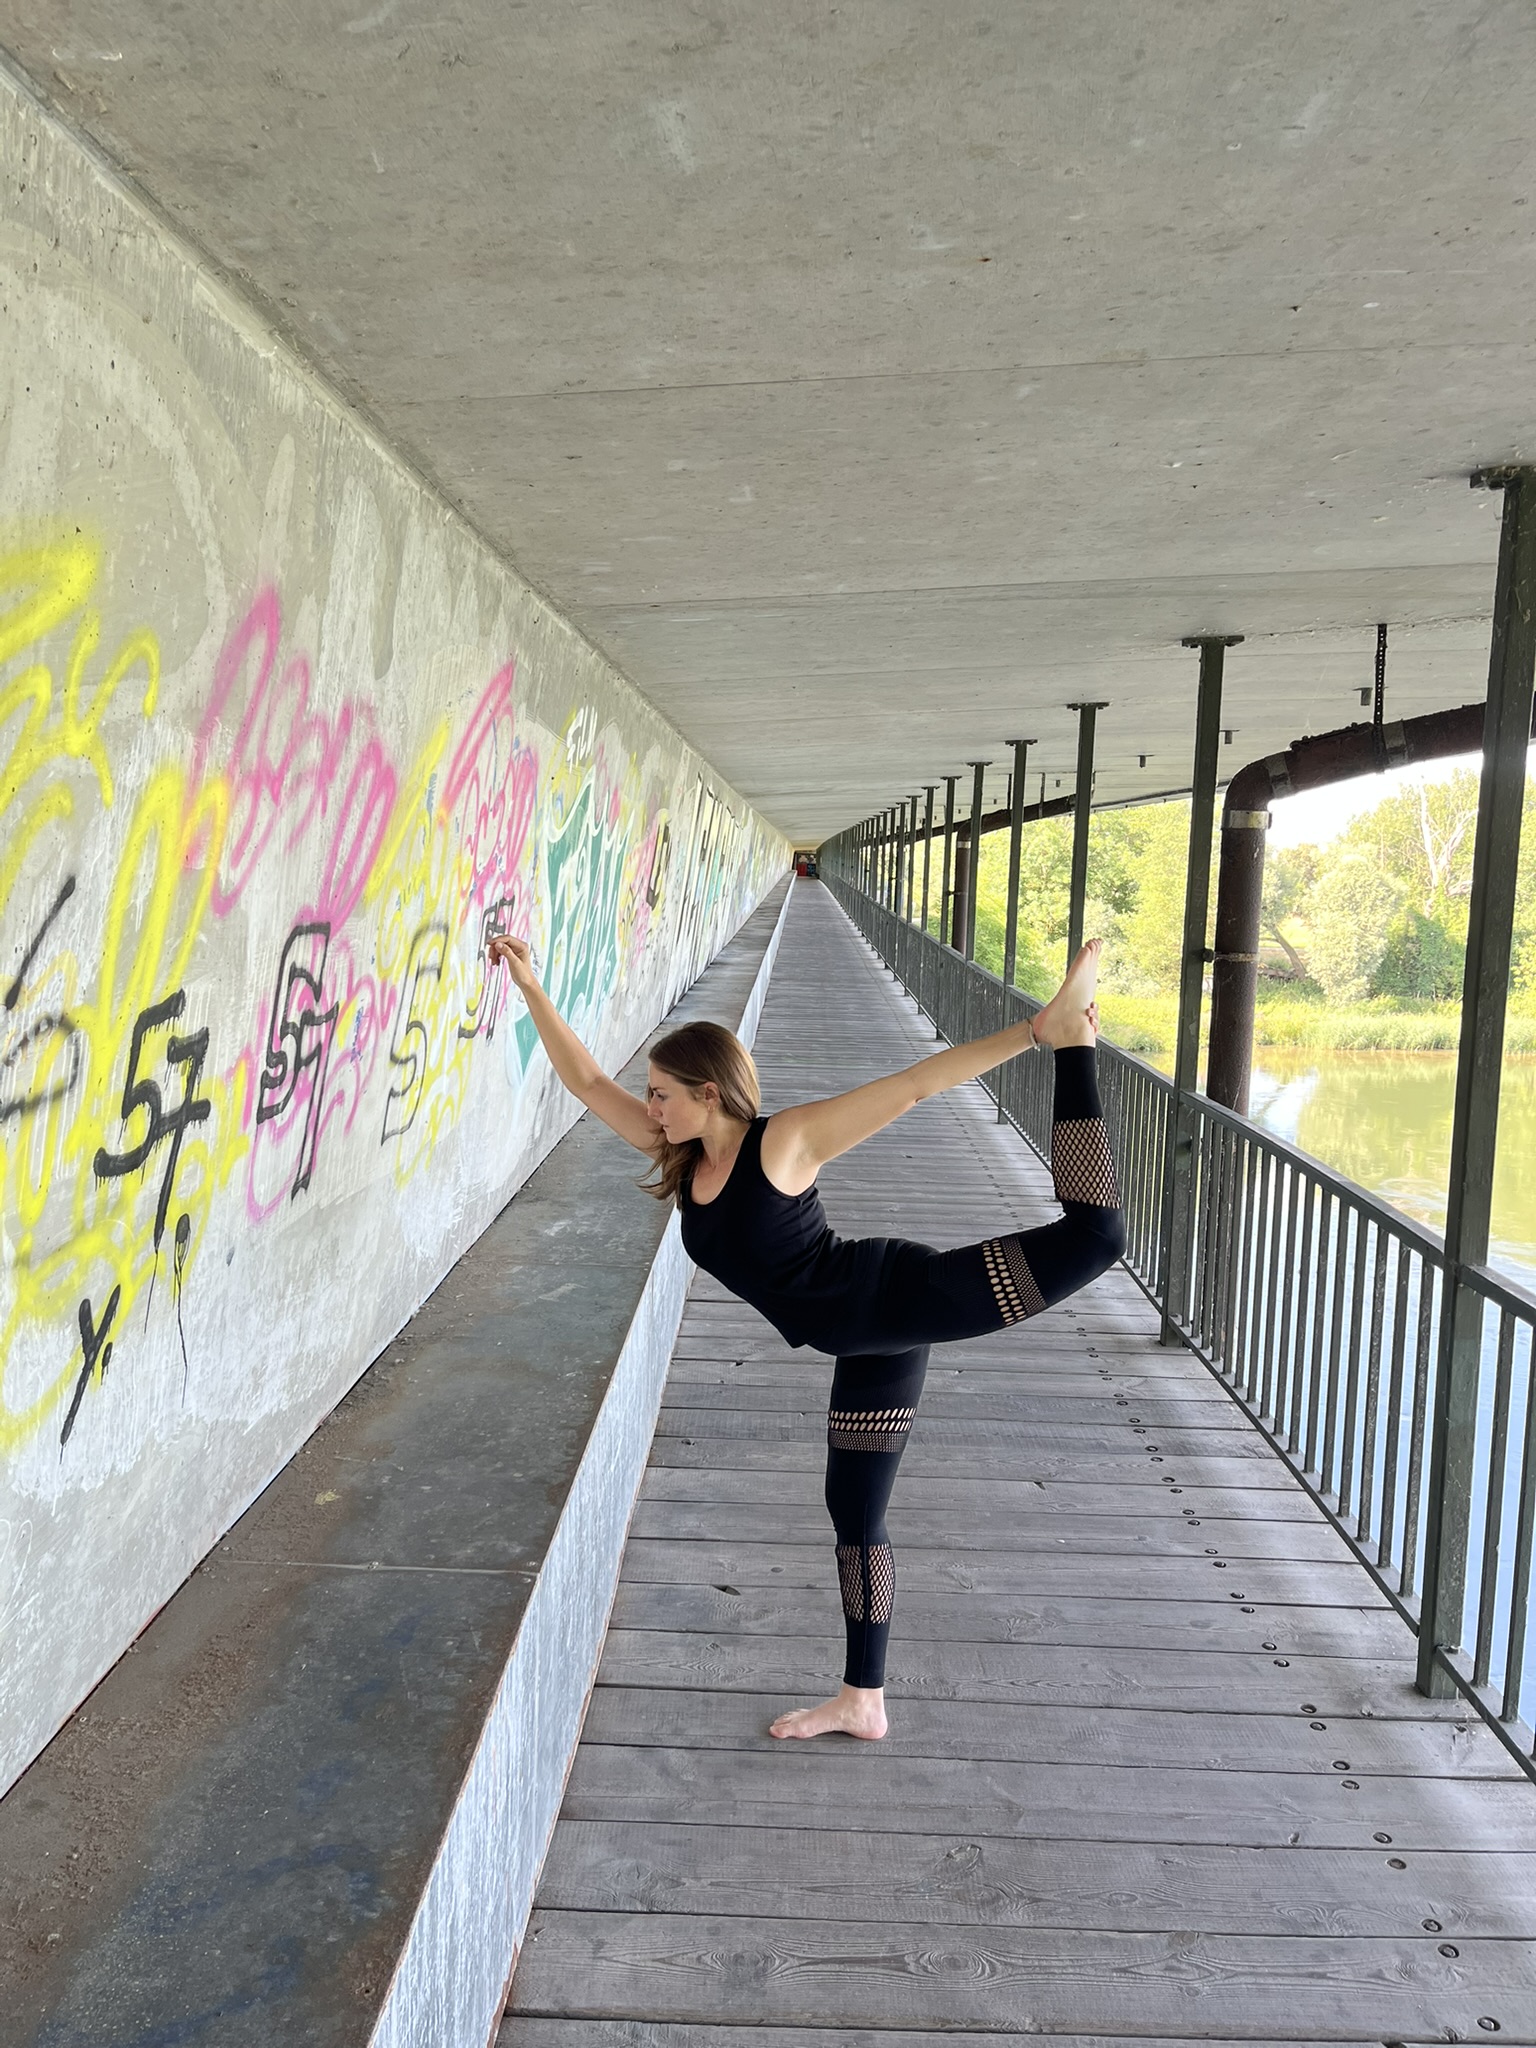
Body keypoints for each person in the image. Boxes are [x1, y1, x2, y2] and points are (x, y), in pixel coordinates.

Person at [488, 928, 1125, 1741]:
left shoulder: (782, 1144)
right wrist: (531, 987)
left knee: (1095, 1238)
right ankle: (863, 1700)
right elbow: (584, 1080)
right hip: (866, 1340)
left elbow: (913, 1087)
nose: (650, 1108)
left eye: (661, 1094)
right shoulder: (683, 1155)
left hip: (902, 1295)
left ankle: (1071, 1042)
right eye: (649, 1095)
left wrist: (1030, 1035)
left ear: (708, 1094)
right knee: (853, 1514)